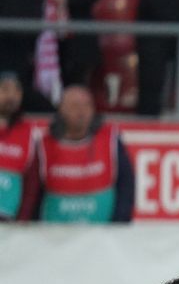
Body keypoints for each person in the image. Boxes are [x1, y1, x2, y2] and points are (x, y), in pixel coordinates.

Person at [36, 85, 134, 223]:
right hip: (55, 237)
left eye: (87, 106)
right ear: (61, 110)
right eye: (75, 106)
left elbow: (126, 185)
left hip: (102, 235)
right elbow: (33, 193)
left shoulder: (110, 139)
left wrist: (119, 223)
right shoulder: (44, 145)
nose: (82, 112)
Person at [0, 71, 40, 221]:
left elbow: (32, 183)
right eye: (4, 89)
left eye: (17, 90)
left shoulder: (28, 133)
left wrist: (23, 218)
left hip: (7, 220)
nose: (12, 96)